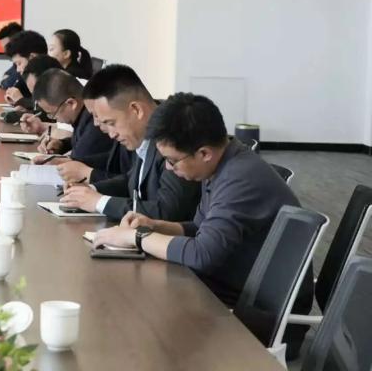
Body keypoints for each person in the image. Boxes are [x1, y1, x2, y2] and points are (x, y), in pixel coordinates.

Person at [92, 93, 311, 356]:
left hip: (258, 316)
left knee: (139, 322)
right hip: (232, 290)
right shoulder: (222, 164)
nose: (169, 169)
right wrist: (154, 225)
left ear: (204, 153)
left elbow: (201, 254)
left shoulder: (239, 180)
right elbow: (198, 229)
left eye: (172, 161)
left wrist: (136, 237)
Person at [58, 64, 200, 222]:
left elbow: (167, 211)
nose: (111, 134)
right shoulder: (144, 132)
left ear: (136, 110)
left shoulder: (175, 134)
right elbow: (132, 181)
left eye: (111, 123)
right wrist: (90, 190)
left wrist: (99, 202)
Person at [31, 68, 115, 170]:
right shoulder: (83, 116)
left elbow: (78, 161)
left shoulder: (94, 122)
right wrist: (62, 144)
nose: (55, 118)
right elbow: (81, 141)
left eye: (53, 114)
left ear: (71, 103)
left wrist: (57, 161)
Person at [2, 30, 47, 106]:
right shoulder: (26, 77)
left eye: (19, 63)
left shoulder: (52, 79)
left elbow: (45, 108)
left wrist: (21, 101)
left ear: (32, 58)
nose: (18, 70)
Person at [0, 22, 24, 89]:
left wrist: (4, 81)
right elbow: (8, 73)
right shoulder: (17, 60)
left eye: (7, 47)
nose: (5, 52)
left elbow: (9, 84)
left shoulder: (26, 58)